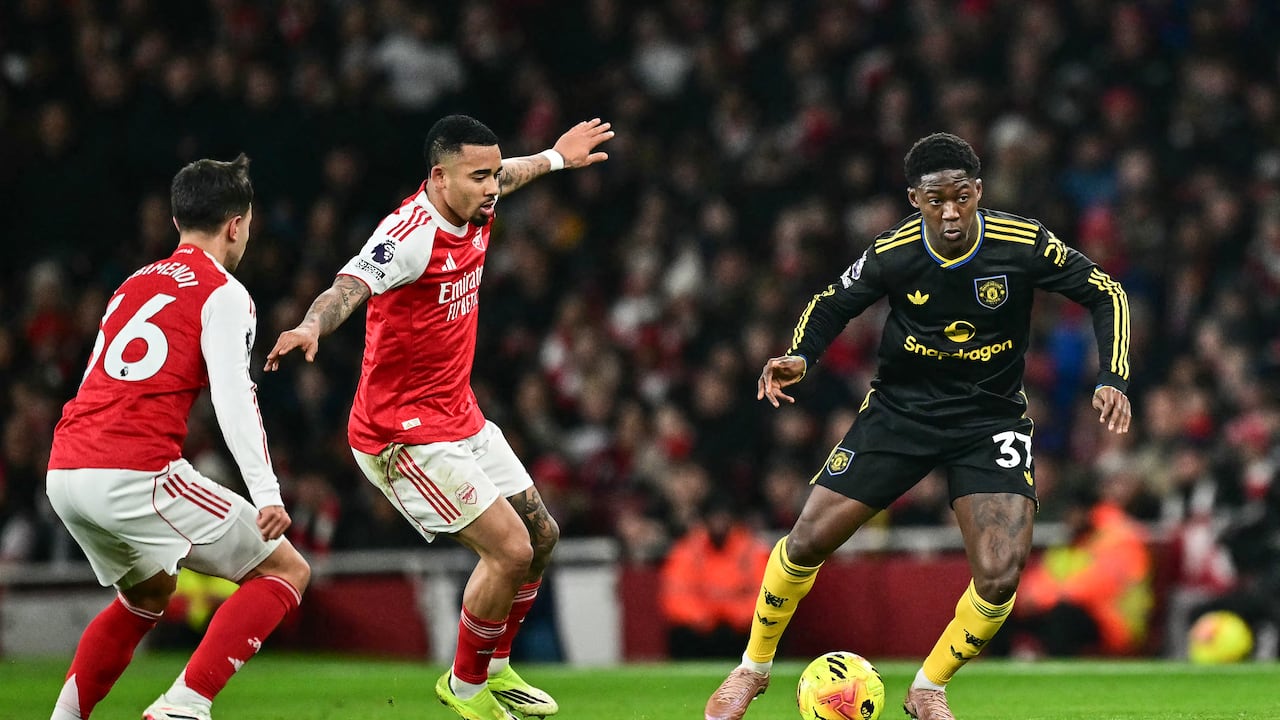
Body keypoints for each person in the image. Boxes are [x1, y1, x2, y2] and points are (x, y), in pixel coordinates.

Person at [704, 132, 1132, 720]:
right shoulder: (893, 252)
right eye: (936, 200)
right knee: (806, 540)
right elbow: (831, 302)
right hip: (902, 413)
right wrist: (802, 355)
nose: (951, 211)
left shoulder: (1022, 242)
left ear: (978, 191)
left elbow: (1105, 292)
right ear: (915, 200)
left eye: (962, 196)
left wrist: (1113, 375)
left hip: (990, 418)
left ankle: (929, 687)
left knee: (1002, 573)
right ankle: (751, 670)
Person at [265, 114, 613, 720]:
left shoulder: (477, 200)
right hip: (399, 437)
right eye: (479, 177)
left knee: (541, 537)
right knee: (506, 550)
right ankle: (465, 685)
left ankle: (497, 669)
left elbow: (514, 171)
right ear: (438, 177)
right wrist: (309, 325)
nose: (492, 187)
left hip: (459, 414)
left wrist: (557, 157)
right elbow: (347, 286)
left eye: (492, 175)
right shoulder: (407, 236)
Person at [45, 154, 310, 720]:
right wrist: (267, 493)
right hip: (134, 472)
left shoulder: (132, 283)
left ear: (176, 222)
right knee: (287, 570)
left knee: (147, 595)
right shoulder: (225, 293)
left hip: (65, 469)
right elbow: (234, 396)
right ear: (237, 224)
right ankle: (183, 707)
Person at [998, 484, 1153, 657]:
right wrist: (1028, 597)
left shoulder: (1121, 538)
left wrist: (1043, 599)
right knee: (1004, 607)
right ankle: (999, 669)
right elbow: (1045, 576)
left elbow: (1094, 586)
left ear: (1086, 511)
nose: (1067, 518)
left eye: (1071, 512)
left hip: (1115, 622)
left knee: (1064, 615)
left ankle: (1056, 673)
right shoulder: (1072, 539)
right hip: (1070, 609)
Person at [659, 496, 771, 659]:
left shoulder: (752, 549)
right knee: (681, 633)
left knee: (765, 626)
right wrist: (704, 616)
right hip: (701, 630)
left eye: (723, 516)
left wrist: (733, 614)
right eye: (714, 517)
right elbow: (674, 596)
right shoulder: (687, 549)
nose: (719, 522)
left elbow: (767, 595)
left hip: (740, 629)